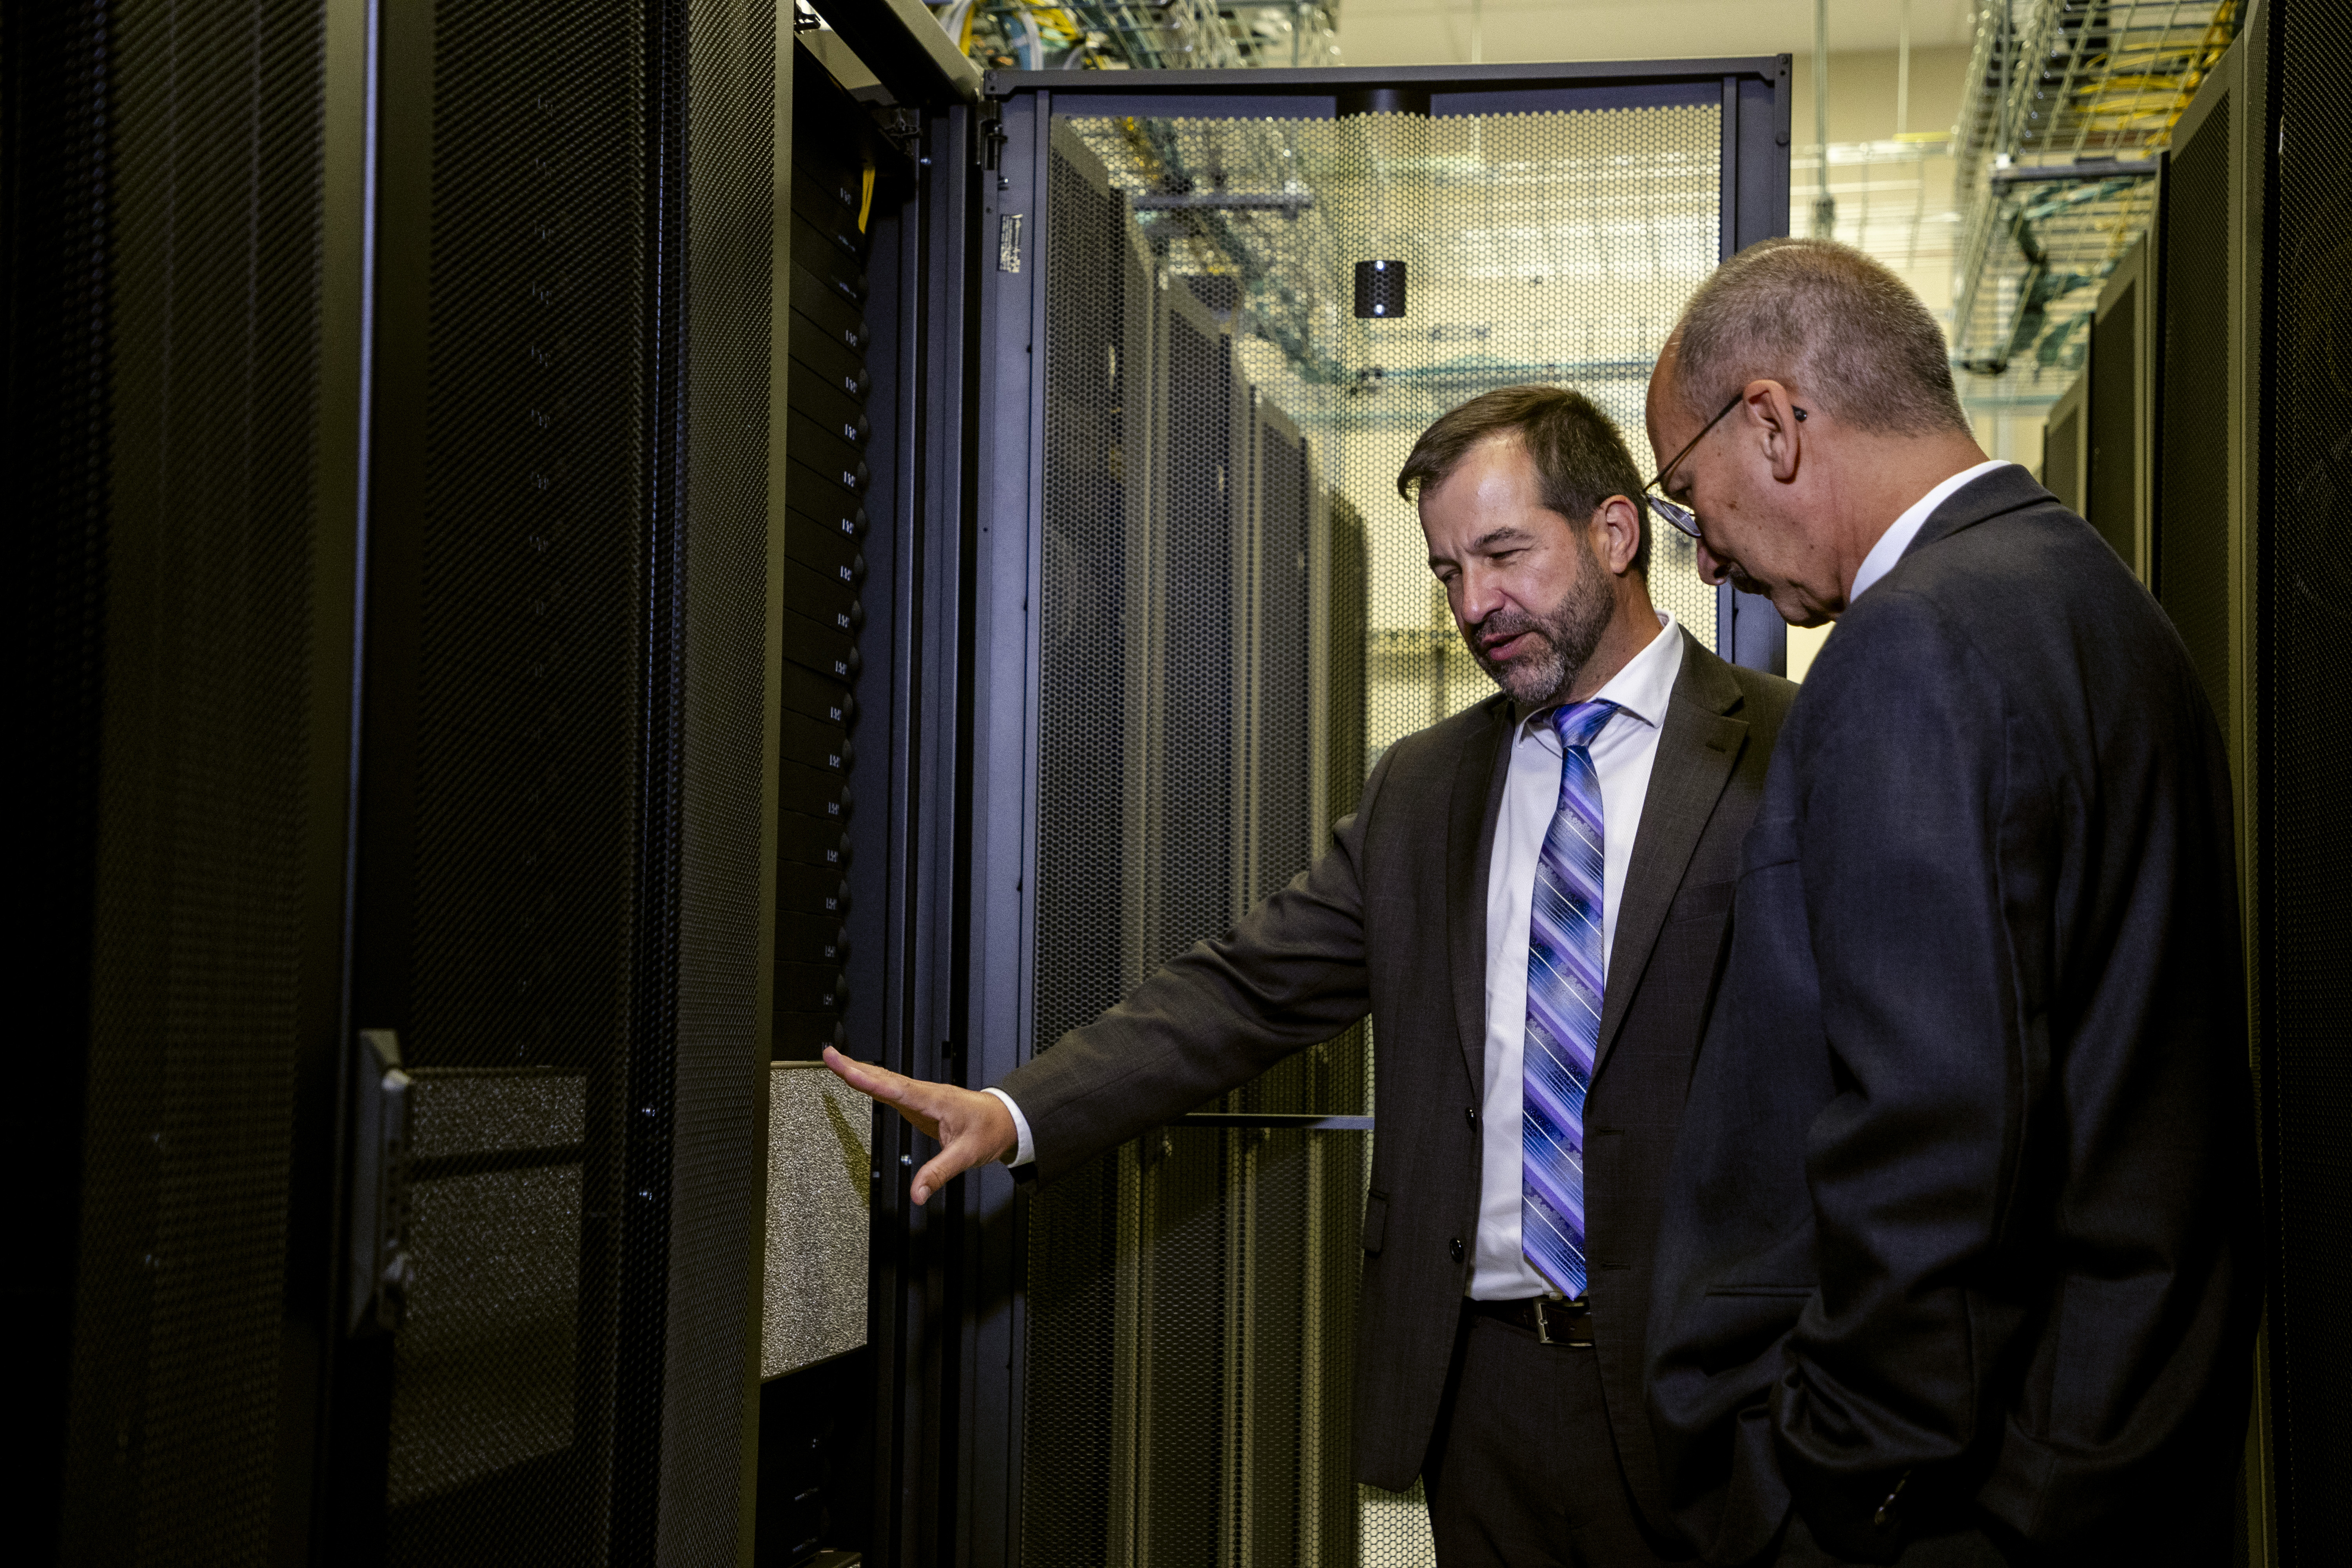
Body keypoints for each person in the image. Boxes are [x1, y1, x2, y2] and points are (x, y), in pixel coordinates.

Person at [826, 385, 1795, 1566]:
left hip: (1716, 1389)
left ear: (1613, 531)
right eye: (1447, 574)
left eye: (1503, 555)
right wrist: (1017, 1109)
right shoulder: (1426, 788)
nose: (1476, 606)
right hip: (1476, 1390)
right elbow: (1245, 990)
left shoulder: (1784, 753)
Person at [1639, 237, 2259, 1567]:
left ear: (1773, 424)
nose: (1707, 566)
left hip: (1969, 1503)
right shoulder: (2097, 597)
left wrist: (1835, 1483)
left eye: (1691, 502)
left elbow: (1935, 1138)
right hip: (2128, 1451)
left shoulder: (1908, 648)